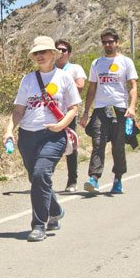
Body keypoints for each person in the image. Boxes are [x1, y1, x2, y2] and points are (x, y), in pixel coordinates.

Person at [3, 36, 80, 242]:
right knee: (36, 179)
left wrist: (61, 125)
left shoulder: (64, 78)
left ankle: (39, 225)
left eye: (43, 52)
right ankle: (55, 210)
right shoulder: (28, 80)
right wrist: (9, 130)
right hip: (27, 136)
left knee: (40, 174)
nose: (39, 56)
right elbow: (18, 110)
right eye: (36, 53)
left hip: (53, 135)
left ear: (53, 54)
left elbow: (73, 108)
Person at [80, 28, 138, 194]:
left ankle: (118, 179)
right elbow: (92, 88)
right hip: (101, 109)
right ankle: (94, 178)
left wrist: (132, 107)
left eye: (110, 42)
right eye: (104, 42)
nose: (107, 45)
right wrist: (86, 112)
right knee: (98, 143)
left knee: (118, 146)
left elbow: (133, 86)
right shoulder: (97, 63)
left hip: (120, 109)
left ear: (117, 43)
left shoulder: (126, 62)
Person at [54, 39, 86, 192]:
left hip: (68, 114)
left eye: (63, 50)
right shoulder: (49, 70)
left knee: (70, 147)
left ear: (69, 53)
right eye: (57, 49)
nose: (60, 52)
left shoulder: (74, 68)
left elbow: (80, 86)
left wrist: (64, 82)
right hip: (51, 114)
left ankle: (72, 181)